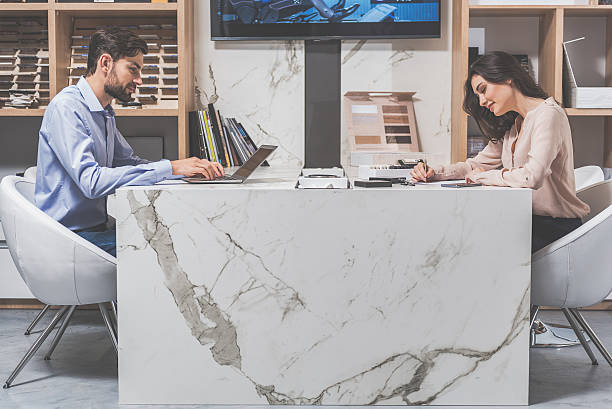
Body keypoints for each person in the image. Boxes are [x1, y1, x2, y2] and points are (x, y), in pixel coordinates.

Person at [35, 27, 224, 257]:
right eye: (133, 69)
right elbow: (92, 182)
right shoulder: (67, 108)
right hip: (68, 238)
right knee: (171, 248)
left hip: (94, 230)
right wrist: (171, 167)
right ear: (105, 63)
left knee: (178, 233)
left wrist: (182, 170)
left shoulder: (103, 112)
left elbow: (130, 162)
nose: (139, 80)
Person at [411, 51, 590, 253]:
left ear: (507, 77)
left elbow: (532, 176)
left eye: (483, 89)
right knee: (457, 235)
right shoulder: (514, 126)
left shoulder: (548, 114)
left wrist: (483, 178)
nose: (481, 101)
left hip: (555, 230)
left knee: (469, 243)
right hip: (525, 220)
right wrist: (435, 172)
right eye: (478, 95)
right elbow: (474, 165)